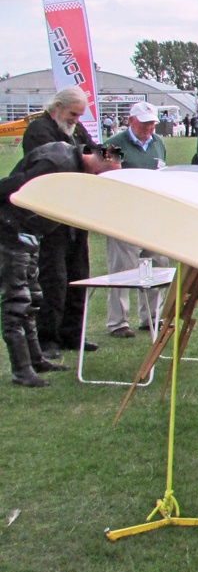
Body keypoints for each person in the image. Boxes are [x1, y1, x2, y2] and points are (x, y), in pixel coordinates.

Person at [0, 142, 122, 386]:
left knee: (33, 298)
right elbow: (16, 186)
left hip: (29, 232)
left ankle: (35, 360)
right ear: (94, 158)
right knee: (16, 303)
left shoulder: (75, 164)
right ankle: (21, 370)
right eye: (100, 174)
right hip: (11, 230)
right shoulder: (57, 163)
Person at [22, 88, 96, 358]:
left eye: (79, 115)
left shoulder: (75, 130)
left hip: (75, 214)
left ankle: (73, 333)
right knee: (53, 277)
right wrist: (87, 159)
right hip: (49, 216)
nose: (76, 119)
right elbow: (57, 164)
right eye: (72, 114)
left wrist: (105, 157)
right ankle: (48, 337)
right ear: (57, 108)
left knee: (79, 275)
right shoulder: (38, 130)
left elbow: (99, 153)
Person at [104, 102, 169, 339]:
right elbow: (105, 177)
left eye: (152, 123)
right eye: (145, 123)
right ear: (131, 121)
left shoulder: (159, 143)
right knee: (122, 269)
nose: (150, 127)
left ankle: (151, 316)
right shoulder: (113, 144)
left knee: (158, 264)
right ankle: (117, 322)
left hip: (152, 215)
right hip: (123, 215)